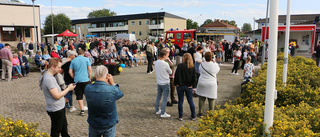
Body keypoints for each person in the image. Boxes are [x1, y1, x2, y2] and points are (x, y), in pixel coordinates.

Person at [39, 58, 76, 137]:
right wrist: (68, 89)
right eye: (58, 67)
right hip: (55, 109)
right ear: (52, 66)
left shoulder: (52, 76)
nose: (60, 69)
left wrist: (67, 87)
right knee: (56, 131)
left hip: (59, 107)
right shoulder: (49, 79)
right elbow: (56, 96)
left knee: (64, 129)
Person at [85, 65, 123, 137]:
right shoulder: (111, 89)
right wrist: (113, 83)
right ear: (107, 76)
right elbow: (120, 94)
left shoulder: (87, 88)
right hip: (108, 123)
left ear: (95, 75)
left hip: (94, 123)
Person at [196, 52, 220, 117]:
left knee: (201, 98)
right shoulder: (214, 65)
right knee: (211, 99)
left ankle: (200, 112)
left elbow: (199, 70)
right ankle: (211, 112)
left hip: (202, 82)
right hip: (211, 83)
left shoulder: (202, 65)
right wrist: (215, 62)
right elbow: (218, 70)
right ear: (212, 58)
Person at [174, 53, 197, 121]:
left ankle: (180, 116)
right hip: (188, 86)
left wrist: (176, 83)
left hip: (180, 85)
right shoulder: (192, 67)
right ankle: (193, 115)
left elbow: (176, 75)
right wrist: (193, 86)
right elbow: (194, 78)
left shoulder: (180, 66)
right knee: (190, 101)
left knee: (180, 101)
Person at [69, 49, 92, 116]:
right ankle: (90, 109)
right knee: (88, 95)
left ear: (77, 54)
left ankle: (82, 110)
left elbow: (70, 71)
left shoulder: (73, 61)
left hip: (77, 80)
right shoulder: (86, 59)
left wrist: (74, 77)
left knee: (79, 95)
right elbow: (90, 69)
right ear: (83, 54)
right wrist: (90, 77)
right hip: (85, 79)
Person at [154, 50, 172, 118]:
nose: (167, 57)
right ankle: (163, 112)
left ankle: (157, 110)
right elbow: (170, 72)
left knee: (158, 96)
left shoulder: (156, 62)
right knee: (165, 98)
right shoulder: (165, 64)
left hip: (159, 82)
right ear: (164, 56)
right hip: (165, 82)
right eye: (167, 56)